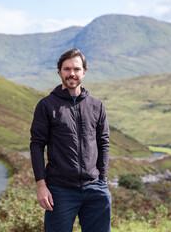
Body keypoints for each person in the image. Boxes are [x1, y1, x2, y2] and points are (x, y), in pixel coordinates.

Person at [30, 48, 111, 232]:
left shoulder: (96, 105)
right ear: (59, 72)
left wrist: (102, 181)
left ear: (84, 72)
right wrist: (41, 185)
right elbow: (36, 146)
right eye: (66, 69)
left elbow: (103, 143)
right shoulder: (46, 105)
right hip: (60, 190)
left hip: (95, 189)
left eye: (76, 69)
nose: (71, 74)